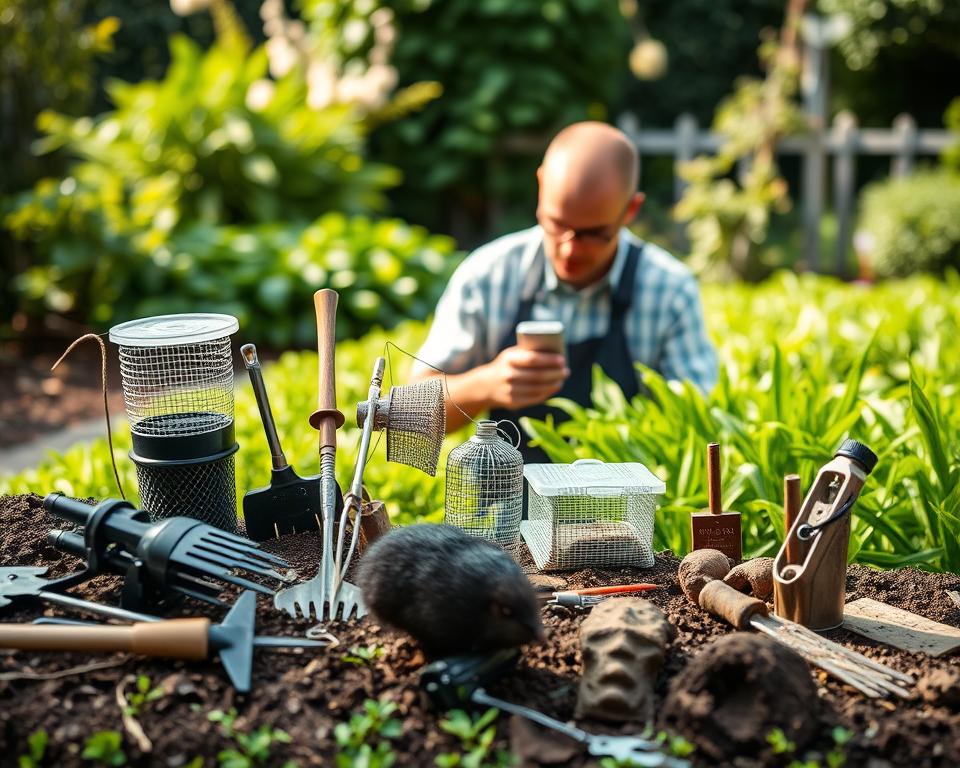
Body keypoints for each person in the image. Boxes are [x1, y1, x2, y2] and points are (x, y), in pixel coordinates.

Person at [411, 121, 718, 462]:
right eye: (558, 225)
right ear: (541, 186)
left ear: (630, 210)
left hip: (622, 510)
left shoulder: (668, 291)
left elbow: (698, 425)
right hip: (504, 510)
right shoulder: (488, 276)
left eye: (593, 234)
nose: (570, 250)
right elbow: (412, 417)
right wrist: (487, 383)